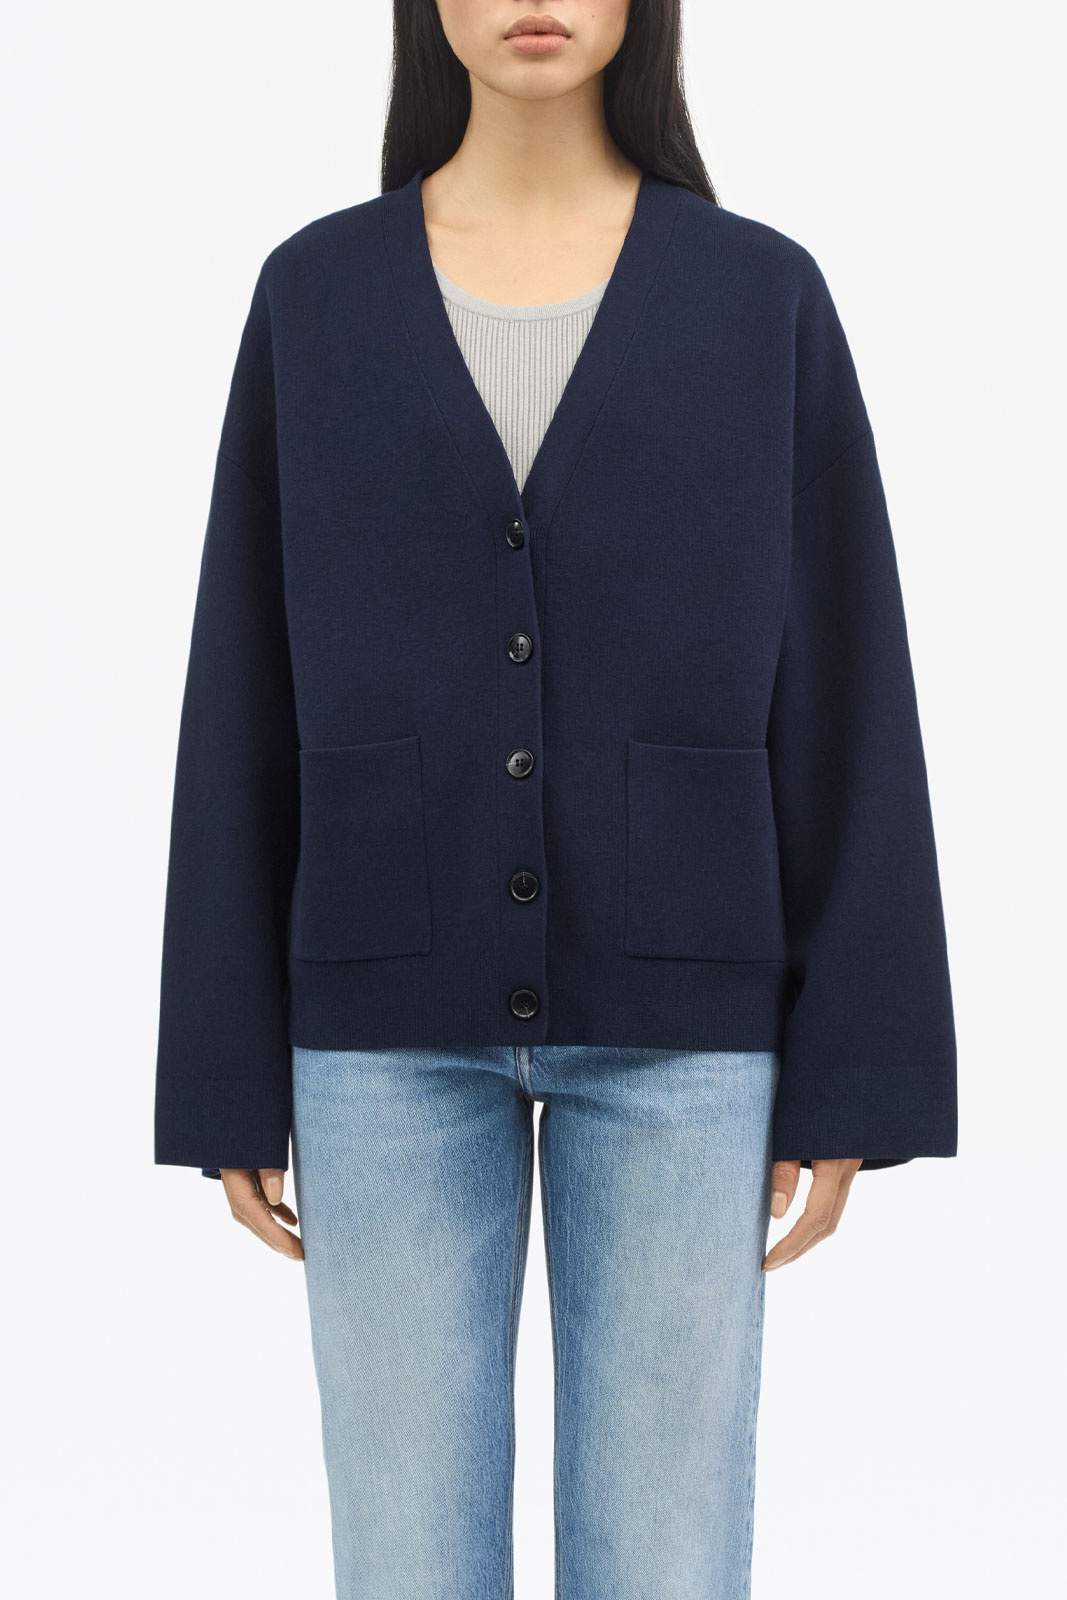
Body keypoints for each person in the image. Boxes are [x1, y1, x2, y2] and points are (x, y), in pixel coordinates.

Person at [154, 3, 958, 1595]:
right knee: (403, 1557)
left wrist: (855, 1068)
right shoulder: (315, 296)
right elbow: (242, 676)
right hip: (382, 1015)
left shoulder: (761, 299)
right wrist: (223, 1071)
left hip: (686, 1017)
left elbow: (850, 674)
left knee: (667, 1555)